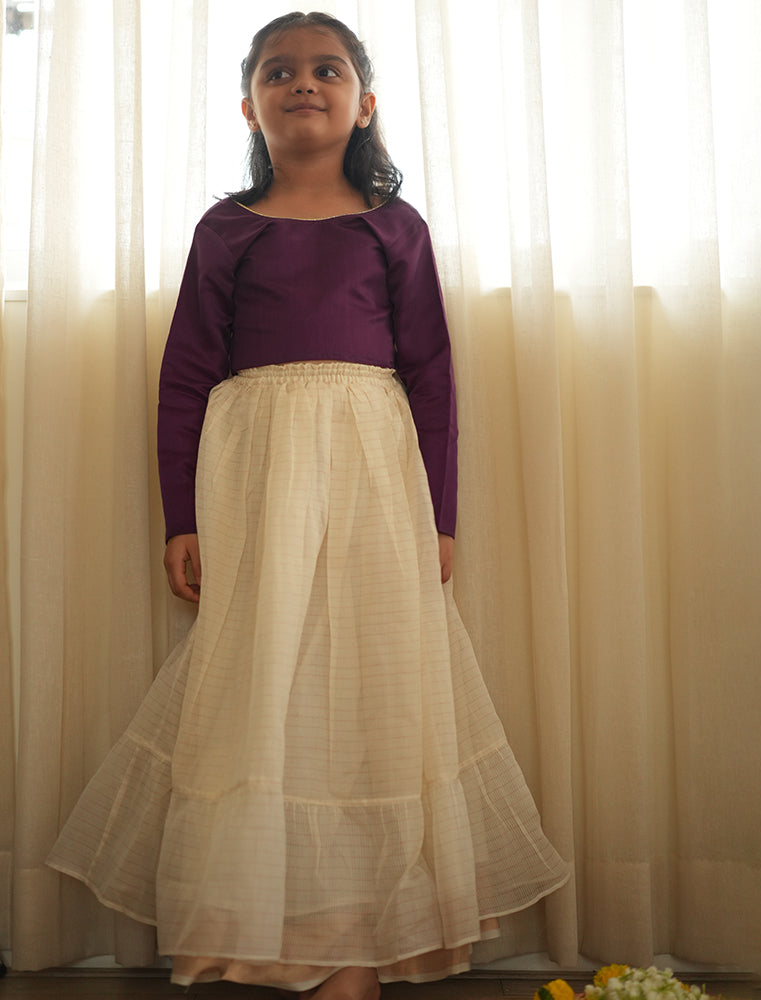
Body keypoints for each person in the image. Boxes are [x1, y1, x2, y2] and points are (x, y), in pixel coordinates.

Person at [47, 12, 570, 999]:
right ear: (248, 104)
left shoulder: (394, 229)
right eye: (277, 71)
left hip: (374, 476)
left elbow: (431, 378)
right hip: (255, 475)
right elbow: (184, 378)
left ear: (363, 102)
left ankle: (361, 939)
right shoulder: (226, 230)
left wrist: (438, 517)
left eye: (326, 68)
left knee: (371, 687)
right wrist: (180, 517)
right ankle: (268, 929)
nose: (302, 83)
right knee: (265, 682)